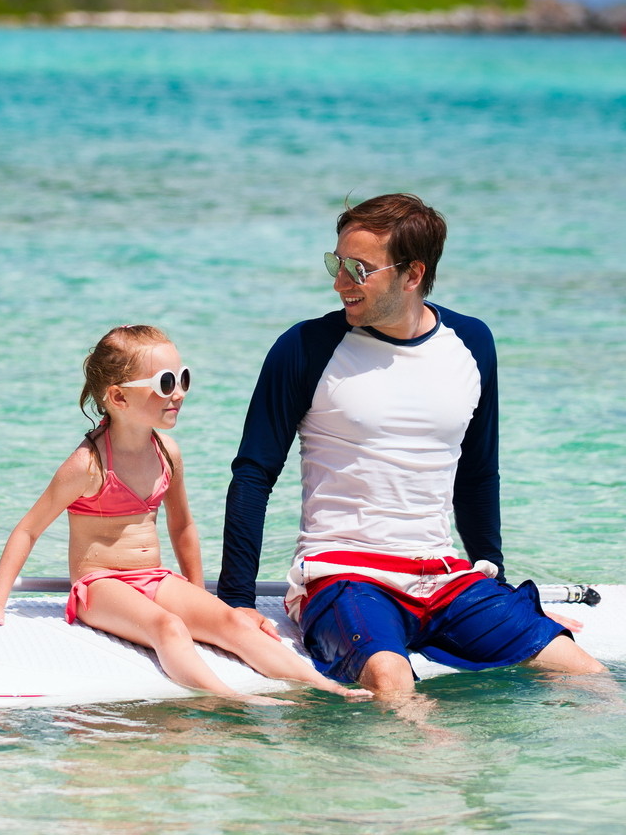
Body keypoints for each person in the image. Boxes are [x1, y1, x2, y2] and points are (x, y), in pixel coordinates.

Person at [219, 194, 604, 704]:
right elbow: (253, 473)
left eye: (358, 268)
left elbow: (477, 473)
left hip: (443, 578)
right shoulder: (306, 348)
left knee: (584, 672)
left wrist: (499, 585)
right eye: (336, 263)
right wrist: (237, 602)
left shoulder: (472, 343)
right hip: (343, 575)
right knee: (391, 681)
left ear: (412, 274)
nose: (339, 283)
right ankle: (423, 779)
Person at [0, 324, 367, 703]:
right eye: (165, 382)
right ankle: (230, 698)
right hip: (100, 586)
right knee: (169, 628)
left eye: (183, 378)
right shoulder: (87, 465)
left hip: (155, 578)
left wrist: (199, 592)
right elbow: (28, 530)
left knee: (233, 622)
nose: (179, 392)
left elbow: (182, 525)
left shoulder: (167, 452)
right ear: (118, 397)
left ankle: (325, 687)